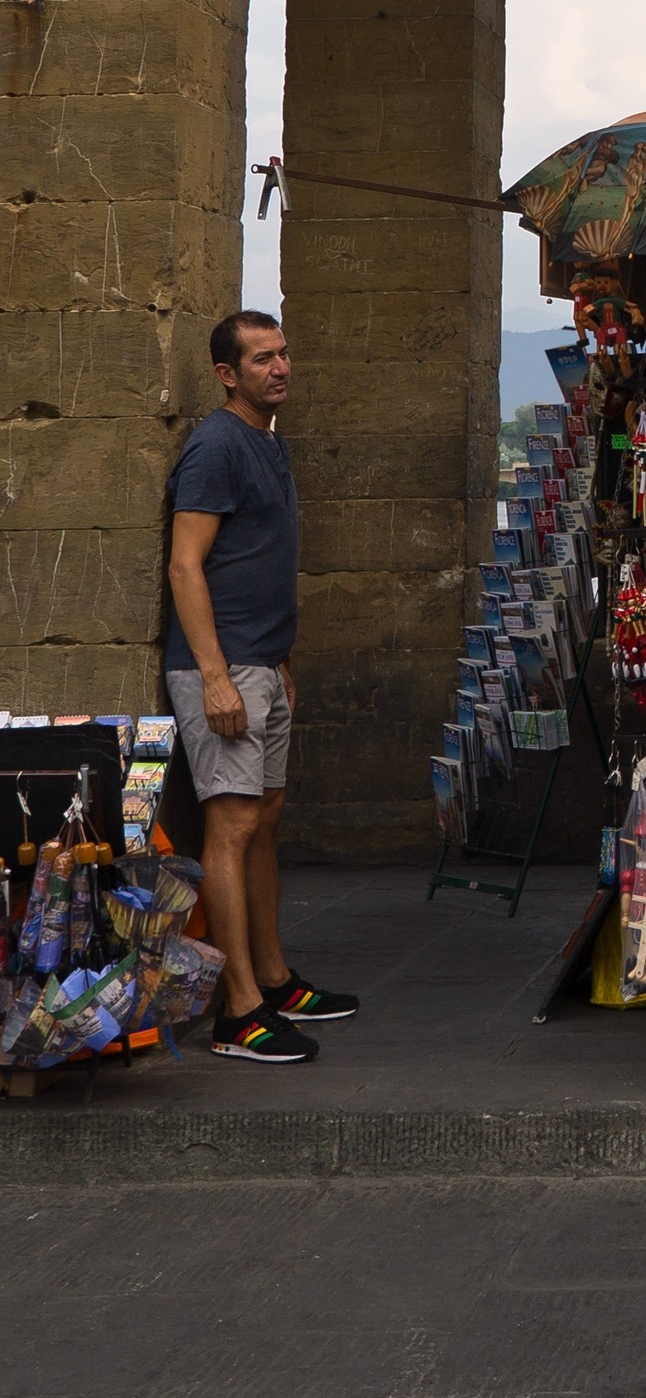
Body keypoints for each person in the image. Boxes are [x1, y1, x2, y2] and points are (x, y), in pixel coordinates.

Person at [164, 311, 358, 1063]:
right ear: (226, 374)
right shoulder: (216, 446)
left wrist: (276, 662)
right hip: (223, 667)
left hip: (260, 662)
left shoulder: (265, 439)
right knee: (233, 823)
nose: (279, 368)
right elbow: (187, 566)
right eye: (262, 359)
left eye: (283, 354)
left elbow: (254, 559)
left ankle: (273, 979)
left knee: (266, 816)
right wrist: (217, 676)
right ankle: (237, 1011)